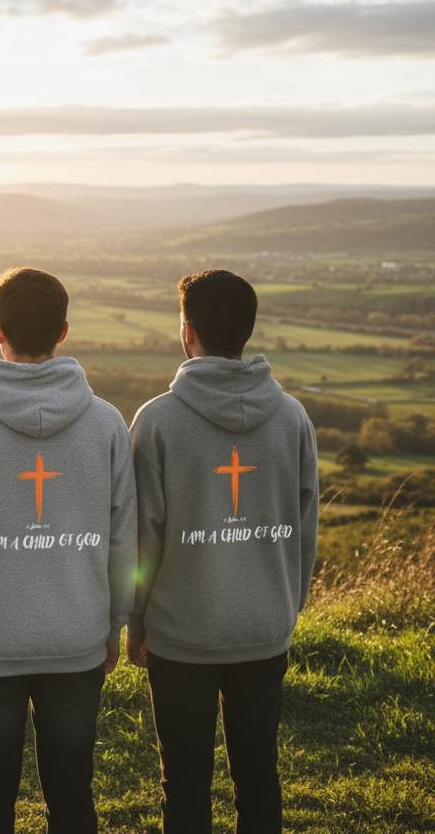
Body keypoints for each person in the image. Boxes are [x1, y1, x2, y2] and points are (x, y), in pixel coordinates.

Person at [0, 266, 137, 834]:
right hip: (77, 639)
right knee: (72, 799)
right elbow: (123, 537)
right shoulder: (107, 424)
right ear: (63, 331)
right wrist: (115, 621)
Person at [126, 269, 319, 834]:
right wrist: (288, 604)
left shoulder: (157, 421)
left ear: (187, 331)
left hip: (181, 634)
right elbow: (305, 528)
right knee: (259, 775)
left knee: (183, 782)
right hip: (265, 626)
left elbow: (146, 536)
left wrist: (136, 620)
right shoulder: (292, 418)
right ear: (247, 331)